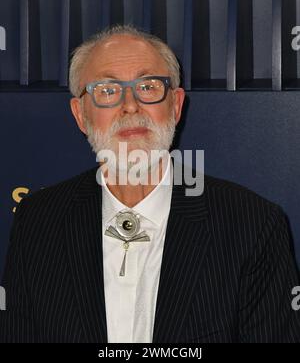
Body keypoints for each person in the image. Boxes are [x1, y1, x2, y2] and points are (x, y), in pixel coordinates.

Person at [0, 24, 300, 343]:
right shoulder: (38, 221)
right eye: (107, 90)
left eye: (148, 86)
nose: (130, 106)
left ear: (175, 105)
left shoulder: (252, 225)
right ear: (80, 114)